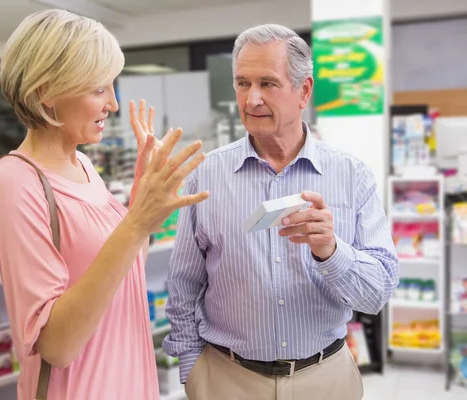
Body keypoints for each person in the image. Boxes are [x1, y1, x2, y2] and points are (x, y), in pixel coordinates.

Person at [163, 23, 399, 400]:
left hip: (325, 379)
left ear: (303, 91)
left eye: (268, 84)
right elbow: (184, 285)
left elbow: (377, 294)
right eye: (242, 83)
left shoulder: (351, 175)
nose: (251, 99)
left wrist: (331, 251)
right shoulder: (205, 175)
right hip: (227, 379)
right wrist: (193, 371)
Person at [0, 9, 209, 400]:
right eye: (98, 89)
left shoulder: (84, 165)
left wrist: (141, 194)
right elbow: (57, 345)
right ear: (46, 91)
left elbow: (125, 268)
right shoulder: (15, 182)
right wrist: (136, 222)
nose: (114, 104)